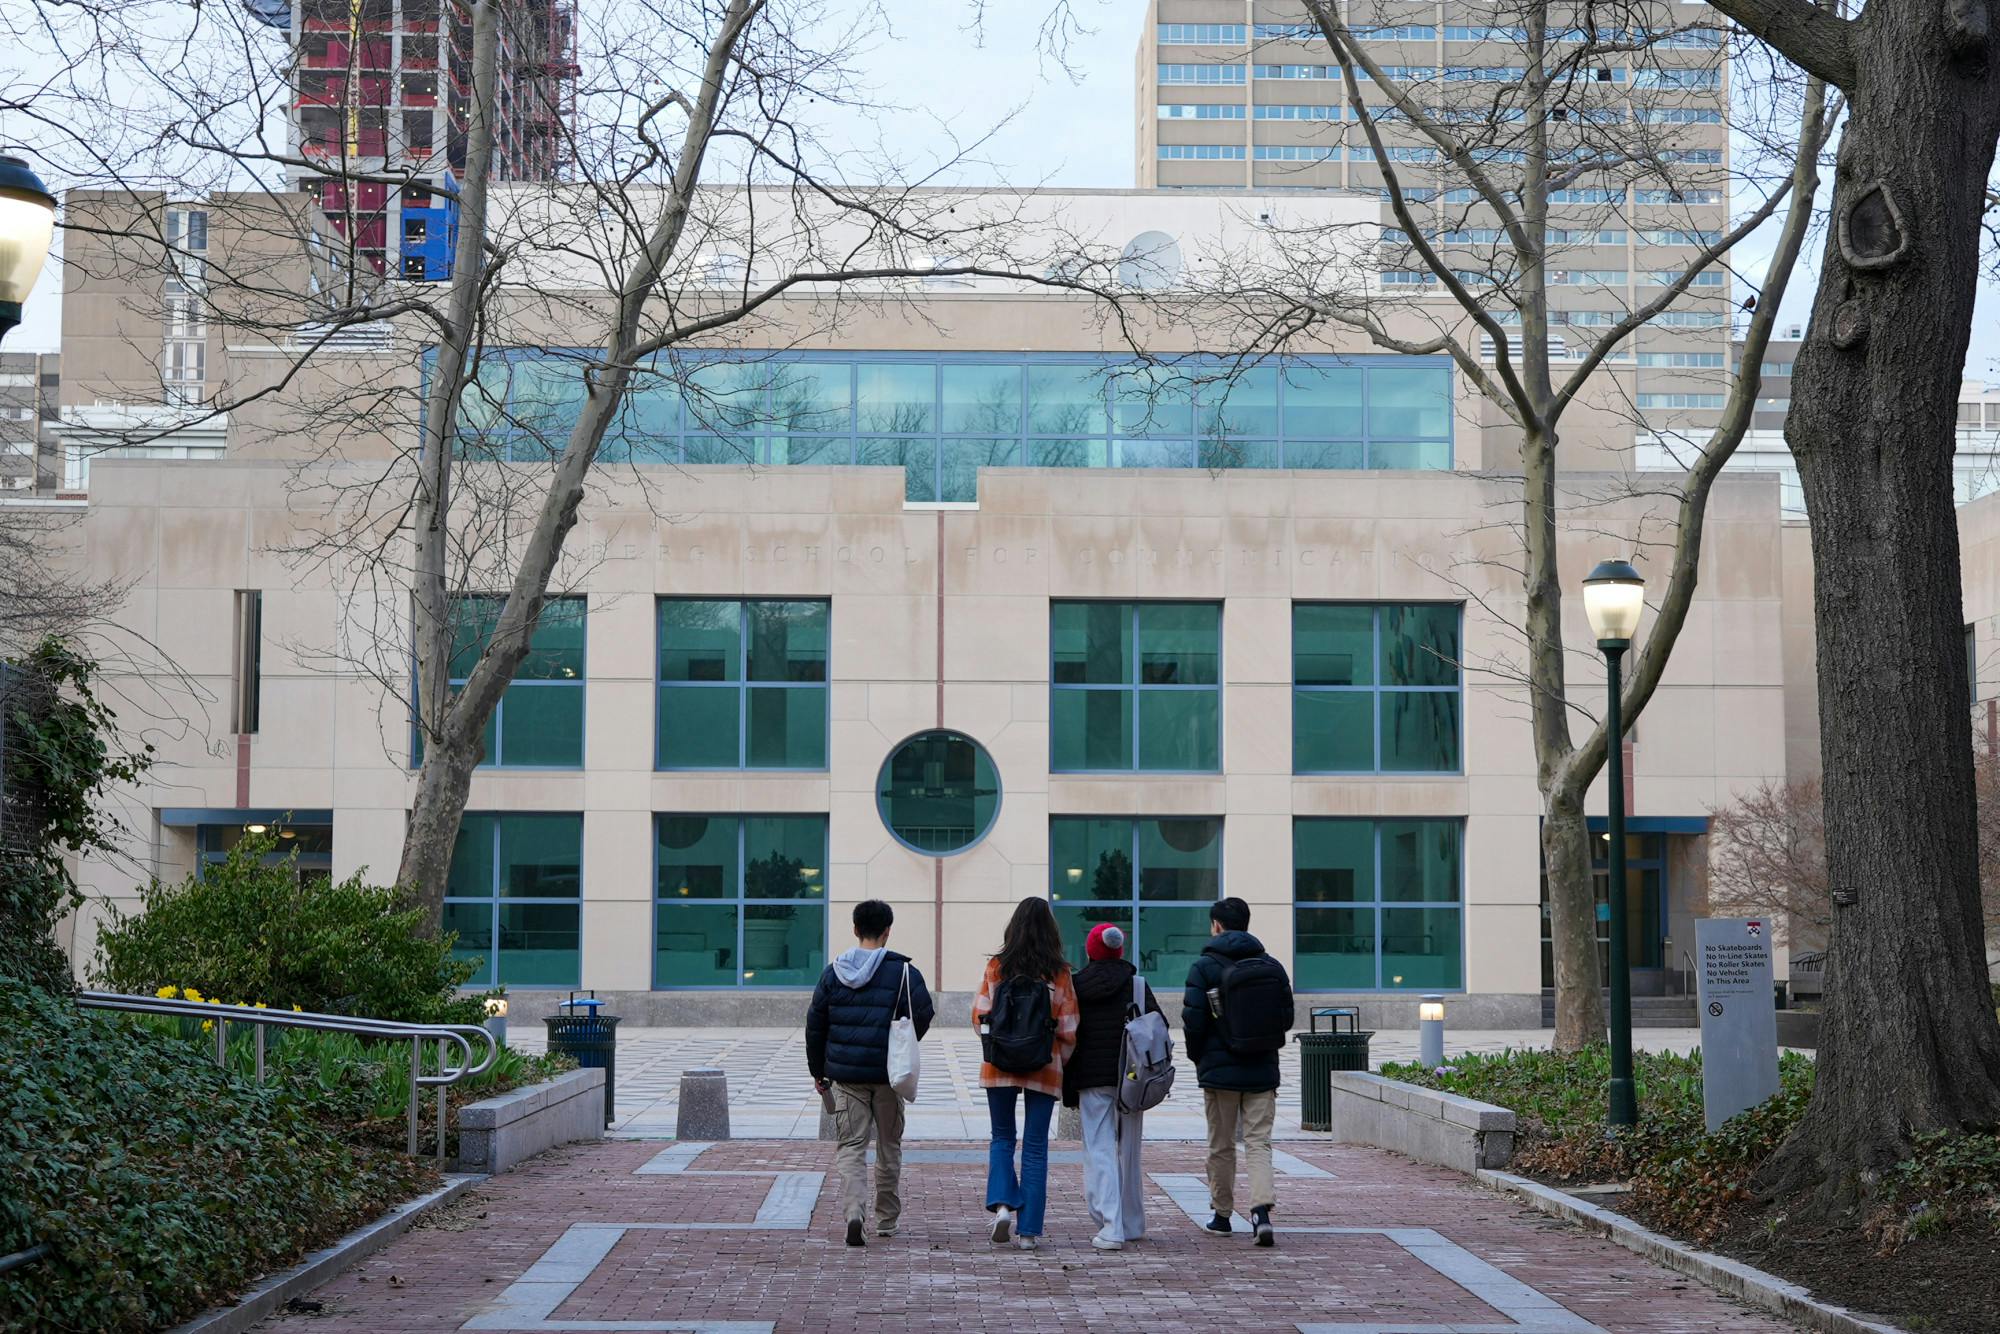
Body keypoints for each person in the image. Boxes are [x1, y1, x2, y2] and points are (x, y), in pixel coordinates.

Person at [806, 898, 935, 1248]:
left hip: (845, 1077)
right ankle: (887, 1221)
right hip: (888, 1076)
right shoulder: (904, 972)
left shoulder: (833, 973)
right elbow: (923, 1014)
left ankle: (853, 1214)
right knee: (889, 1146)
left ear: (855, 929)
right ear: (887, 931)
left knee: (851, 1146)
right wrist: (899, 1046)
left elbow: (815, 1025)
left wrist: (818, 1070)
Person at [1183, 896, 1291, 1248]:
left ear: (1216, 925)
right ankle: (1261, 1213)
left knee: (1221, 1145)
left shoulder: (1204, 966)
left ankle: (1222, 1215)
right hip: (1262, 1068)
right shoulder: (1271, 965)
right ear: (1246, 923)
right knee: (1259, 1143)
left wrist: (1199, 1058)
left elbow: (1193, 1020)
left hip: (1220, 1072)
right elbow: (1286, 1018)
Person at [973, 896, 1079, 1252]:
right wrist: (1055, 1058)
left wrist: (1000, 1045)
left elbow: (979, 1017)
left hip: (998, 1064)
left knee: (1002, 1137)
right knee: (1035, 1147)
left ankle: (1003, 1204)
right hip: (1044, 1065)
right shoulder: (1060, 971)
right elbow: (1069, 1027)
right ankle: (1029, 1232)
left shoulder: (997, 967)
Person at [1062, 922, 1160, 1251]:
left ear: (1090, 951)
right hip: (1133, 1078)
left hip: (1092, 1078)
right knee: (1129, 1151)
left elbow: (1069, 1033)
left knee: (1099, 1148)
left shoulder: (1077, 986)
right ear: (1120, 951)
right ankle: (1132, 1223)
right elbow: (1158, 1028)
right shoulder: (1137, 985)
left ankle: (1110, 1224)